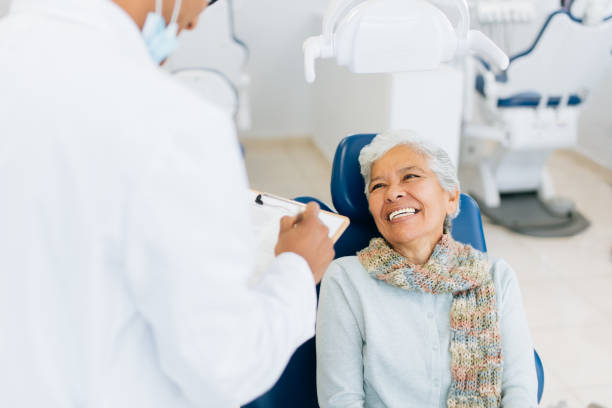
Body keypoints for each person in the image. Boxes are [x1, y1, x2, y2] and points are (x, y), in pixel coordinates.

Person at [0, 0, 334, 407]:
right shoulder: (173, 124)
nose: (192, 23)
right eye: (203, 4)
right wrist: (297, 271)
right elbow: (225, 367)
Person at [316, 130, 538, 408]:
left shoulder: (495, 276)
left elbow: (520, 389)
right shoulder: (345, 279)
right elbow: (341, 400)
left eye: (410, 176)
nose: (393, 192)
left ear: (452, 198)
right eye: (378, 186)